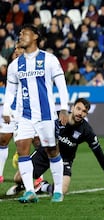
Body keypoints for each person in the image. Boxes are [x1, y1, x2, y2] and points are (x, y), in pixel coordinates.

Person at [2, 24, 69, 203]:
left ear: (36, 36)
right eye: (19, 34)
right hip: (24, 115)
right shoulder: (15, 65)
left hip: (46, 115)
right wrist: (7, 108)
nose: (20, 36)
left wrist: (64, 107)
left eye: (25, 33)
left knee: (52, 150)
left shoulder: (49, 59)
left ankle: (58, 191)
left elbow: (61, 85)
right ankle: (30, 191)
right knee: (22, 149)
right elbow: (10, 90)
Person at [8, 98, 104, 197]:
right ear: (72, 108)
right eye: (78, 109)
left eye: (84, 111)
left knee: (62, 190)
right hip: (45, 152)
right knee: (18, 178)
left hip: (65, 160)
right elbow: (33, 132)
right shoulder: (56, 116)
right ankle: (23, 185)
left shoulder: (86, 130)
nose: (80, 113)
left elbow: (98, 153)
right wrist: (20, 153)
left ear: (86, 114)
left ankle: (41, 187)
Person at [0, 42, 24, 183]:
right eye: (15, 48)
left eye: (19, 48)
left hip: (28, 110)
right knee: (3, 139)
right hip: (14, 109)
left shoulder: (34, 65)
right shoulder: (12, 67)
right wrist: (7, 109)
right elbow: (10, 91)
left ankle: (39, 177)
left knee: (34, 143)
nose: (16, 51)